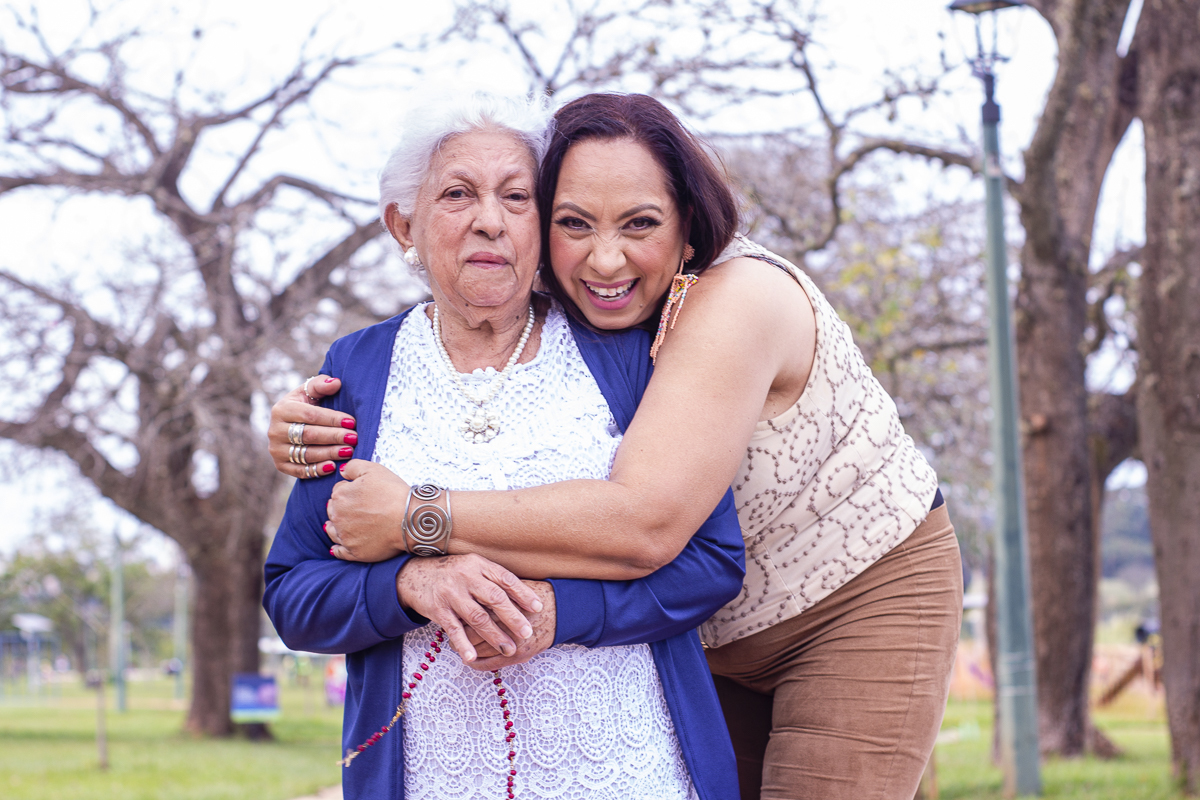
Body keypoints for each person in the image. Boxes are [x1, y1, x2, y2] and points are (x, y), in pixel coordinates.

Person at [272, 93, 963, 800]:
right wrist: (399, 569)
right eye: (574, 222)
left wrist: (414, 520)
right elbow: (295, 583)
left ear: (688, 227)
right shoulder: (384, 363)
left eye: (516, 197)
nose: (604, 258)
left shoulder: (724, 308)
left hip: (850, 593)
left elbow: (652, 529)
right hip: (711, 639)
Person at [263, 93, 745, 800]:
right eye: (458, 194)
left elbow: (710, 562)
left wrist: (559, 613)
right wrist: (409, 584)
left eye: (517, 196)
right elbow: (294, 592)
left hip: (632, 769)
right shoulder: (357, 371)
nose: (490, 219)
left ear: (541, 225)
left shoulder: (625, 355)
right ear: (406, 223)